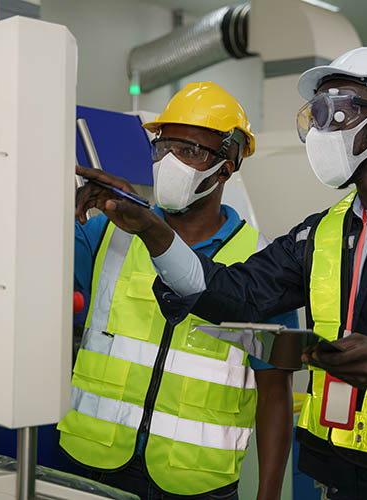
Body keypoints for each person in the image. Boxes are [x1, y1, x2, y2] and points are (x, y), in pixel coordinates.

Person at [75, 48, 367, 500]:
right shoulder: (320, 234)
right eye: (315, 114)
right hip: (336, 481)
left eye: (336, 111)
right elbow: (229, 292)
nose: (320, 128)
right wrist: (153, 230)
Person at [58, 81, 298, 500]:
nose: (170, 162)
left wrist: (269, 496)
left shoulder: (260, 264)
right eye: (163, 147)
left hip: (194, 482)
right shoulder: (106, 232)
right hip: (92, 462)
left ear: (227, 165)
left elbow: (274, 392)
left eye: (190, 151)